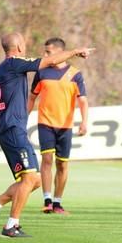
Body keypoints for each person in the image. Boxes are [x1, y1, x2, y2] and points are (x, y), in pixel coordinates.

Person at [0, 32, 93, 238]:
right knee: (31, 177)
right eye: (24, 43)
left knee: (35, 180)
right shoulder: (14, 63)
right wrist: (76, 51)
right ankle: (11, 225)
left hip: (11, 128)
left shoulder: (2, 69)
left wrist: (3, 118)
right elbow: (49, 61)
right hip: (13, 130)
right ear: (19, 47)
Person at [27, 37, 89, 214]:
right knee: (47, 160)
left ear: (60, 53)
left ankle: (57, 202)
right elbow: (32, 97)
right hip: (45, 123)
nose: (45, 55)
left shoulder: (75, 74)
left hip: (65, 126)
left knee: (62, 164)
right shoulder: (42, 72)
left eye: (48, 52)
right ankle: (47, 200)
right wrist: (23, 117)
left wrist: (84, 122)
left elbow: (83, 101)